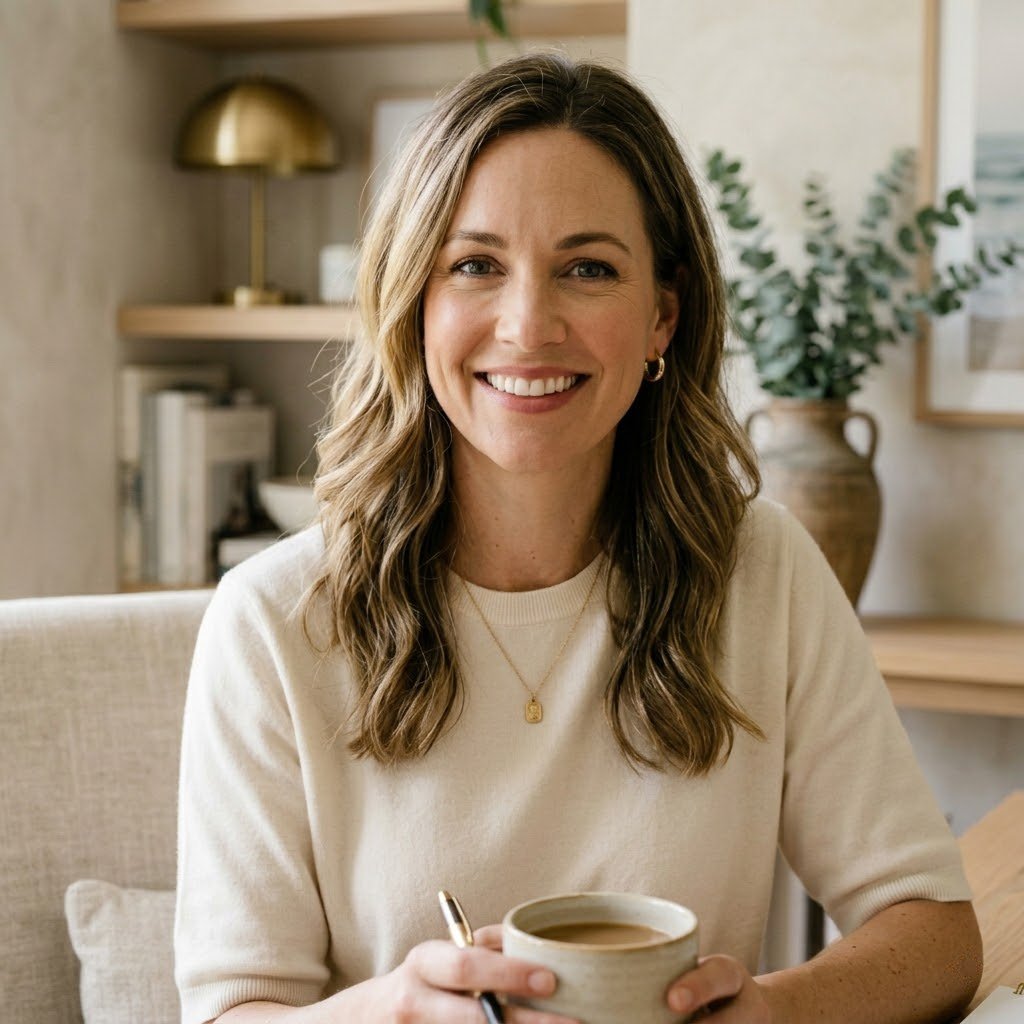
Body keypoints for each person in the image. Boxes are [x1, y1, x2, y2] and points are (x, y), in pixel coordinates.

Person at [175, 51, 981, 1024]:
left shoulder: (761, 573)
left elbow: (932, 932)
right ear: (413, 304)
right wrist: (391, 1013)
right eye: (474, 265)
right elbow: (231, 1010)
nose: (527, 323)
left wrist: (775, 1009)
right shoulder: (270, 619)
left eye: (587, 268)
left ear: (661, 317)